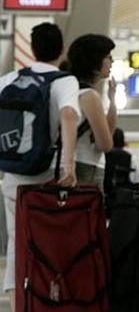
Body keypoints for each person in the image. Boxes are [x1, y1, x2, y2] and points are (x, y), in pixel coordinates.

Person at [0, 22, 80, 312]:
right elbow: (69, 116)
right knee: (50, 245)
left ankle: (16, 306)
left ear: (31, 49)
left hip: (13, 176)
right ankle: (47, 302)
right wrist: (69, 166)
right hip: (48, 177)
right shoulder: (65, 81)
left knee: (16, 242)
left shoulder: (9, 79)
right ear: (61, 49)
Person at [66, 34, 117, 189]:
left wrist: (112, 100)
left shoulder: (67, 90)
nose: (112, 61)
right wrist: (113, 103)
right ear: (94, 61)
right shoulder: (89, 96)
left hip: (67, 165)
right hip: (86, 167)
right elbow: (105, 145)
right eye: (108, 57)